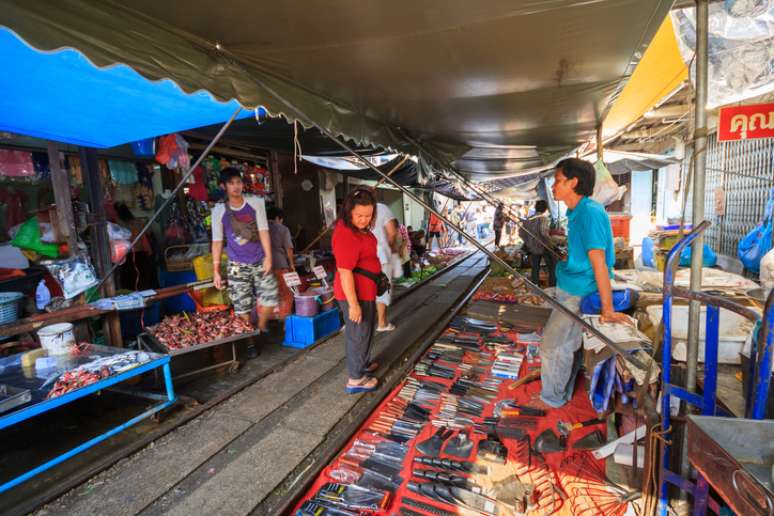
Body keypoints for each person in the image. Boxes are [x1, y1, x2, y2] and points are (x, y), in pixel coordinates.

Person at [540, 158, 630, 408]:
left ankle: (552, 400)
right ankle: (562, 392)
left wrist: (608, 308)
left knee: (552, 347)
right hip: (571, 286)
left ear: (573, 182)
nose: (554, 186)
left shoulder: (589, 212)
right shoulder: (578, 211)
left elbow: (600, 263)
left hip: (578, 292)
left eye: (558, 181)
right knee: (567, 343)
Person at [212, 167, 277, 333]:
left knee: (270, 297)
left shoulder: (256, 203)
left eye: (238, 182)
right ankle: (249, 340)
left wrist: (268, 257)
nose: (236, 186)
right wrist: (216, 270)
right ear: (223, 186)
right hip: (236, 265)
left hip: (259, 259)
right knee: (242, 306)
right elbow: (217, 241)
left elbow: (263, 230)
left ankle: (261, 326)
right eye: (231, 183)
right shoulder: (218, 211)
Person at [332, 188, 381, 393]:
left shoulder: (358, 229)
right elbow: (345, 273)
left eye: (368, 216)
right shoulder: (345, 234)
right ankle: (356, 379)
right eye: (359, 215)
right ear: (349, 211)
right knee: (358, 334)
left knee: (367, 329)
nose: (363, 220)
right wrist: (353, 305)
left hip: (366, 290)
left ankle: (363, 363)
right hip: (355, 294)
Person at [371, 201, 400, 332]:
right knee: (383, 286)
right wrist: (390, 246)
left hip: (362, 255)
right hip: (380, 254)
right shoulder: (381, 207)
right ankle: (382, 323)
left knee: (364, 287)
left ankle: (358, 321)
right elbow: (392, 232)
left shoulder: (352, 209)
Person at [267, 206, 295, 320]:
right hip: (280, 265)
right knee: (285, 293)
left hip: (264, 267)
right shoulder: (283, 229)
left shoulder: (261, 229)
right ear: (278, 218)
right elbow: (289, 248)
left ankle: (269, 318)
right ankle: (284, 319)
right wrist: (292, 264)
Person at [520, 200, 556, 287]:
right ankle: (552, 287)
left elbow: (521, 233)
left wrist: (528, 242)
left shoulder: (529, 219)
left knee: (535, 268)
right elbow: (544, 233)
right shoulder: (543, 218)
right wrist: (551, 243)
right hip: (544, 247)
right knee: (552, 267)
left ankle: (535, 286)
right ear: (545, 209)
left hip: (533, 248)